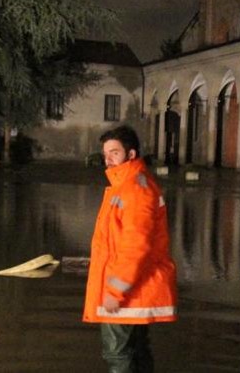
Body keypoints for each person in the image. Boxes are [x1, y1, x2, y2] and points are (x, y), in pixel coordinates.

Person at [83, 125, 177, 373]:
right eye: (106, 154)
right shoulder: (129, 185)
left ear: (131, 154)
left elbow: (136, 245)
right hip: (135, 286)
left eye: (115, 152)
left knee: (117, 354)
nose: (108, 159)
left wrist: (115, 289)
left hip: (126, 290)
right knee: (136, 350)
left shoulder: (135, 189)